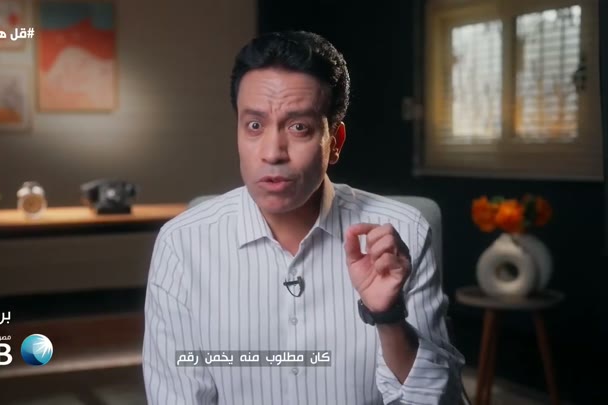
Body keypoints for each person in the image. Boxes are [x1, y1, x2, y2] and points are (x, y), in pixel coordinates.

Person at [142, 30, 465, 404]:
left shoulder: (402, 231)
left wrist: (389, 316)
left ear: (335, 142)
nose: (272, 152)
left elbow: (440, 400)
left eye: (299, 127)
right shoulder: (182, 243)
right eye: (254, 126)